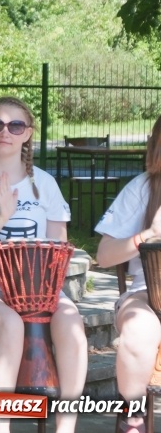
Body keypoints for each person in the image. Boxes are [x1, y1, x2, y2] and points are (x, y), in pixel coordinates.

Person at [0, 96, 87, 433]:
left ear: (27, 134)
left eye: (15, 125)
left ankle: (65, 428)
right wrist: (2, 217)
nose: (4, 131)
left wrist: (43, 284)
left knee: (71, 321)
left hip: (38, 291)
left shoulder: (45, 184)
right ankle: (1, 428)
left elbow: (57, 252)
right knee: (10, 323)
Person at [95, 114, 161, 433]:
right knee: (138, 330)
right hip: (147, 295)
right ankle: (132, 421)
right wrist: (147, 235)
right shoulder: (143, 188)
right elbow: (104, 256)